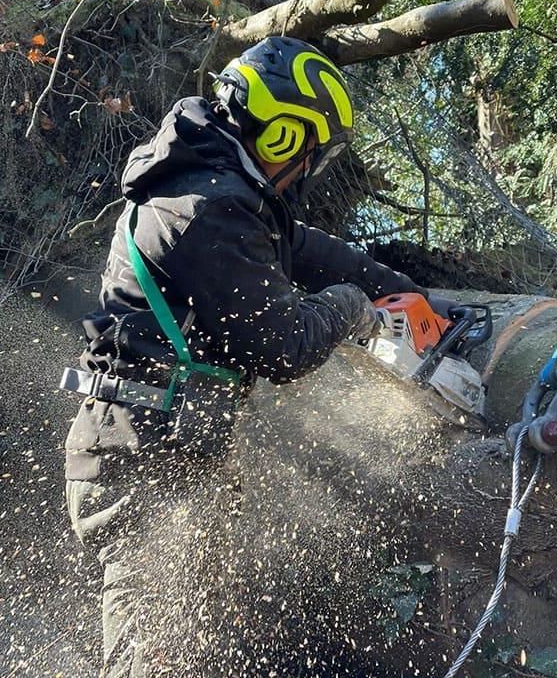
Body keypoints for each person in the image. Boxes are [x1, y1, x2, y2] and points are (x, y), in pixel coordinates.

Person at [62, 36, 456, 676]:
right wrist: (355, 307)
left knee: (203, 648)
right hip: (144, 468)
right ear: (282, 135)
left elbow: (305, 248)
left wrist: (408, 293)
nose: (308, 169)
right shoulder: (204, 208)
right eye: (310, 151)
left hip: (169, 454)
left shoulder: (217, 191)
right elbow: (284, 346)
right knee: (152, 657)